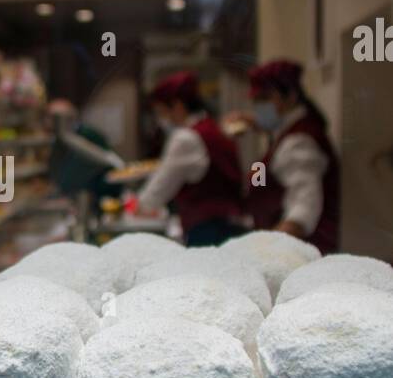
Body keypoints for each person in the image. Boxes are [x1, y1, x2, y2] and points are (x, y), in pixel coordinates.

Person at [238, 59, 340, 253]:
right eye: (256, 101)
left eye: (265, 98)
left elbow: (303, 207)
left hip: (299, 255)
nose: (259, 107)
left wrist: (267, 251)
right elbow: (262, 178)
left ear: (291, 96)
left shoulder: (299, 140)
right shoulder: (284, 135)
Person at [135, 71, 245, 247]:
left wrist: (139, 207)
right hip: (231, 226)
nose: (161, 119)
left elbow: (158, 190)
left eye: (161, 112)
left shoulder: (186, 138)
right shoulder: (212, 128)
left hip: (207, 231)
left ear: (177, 106)